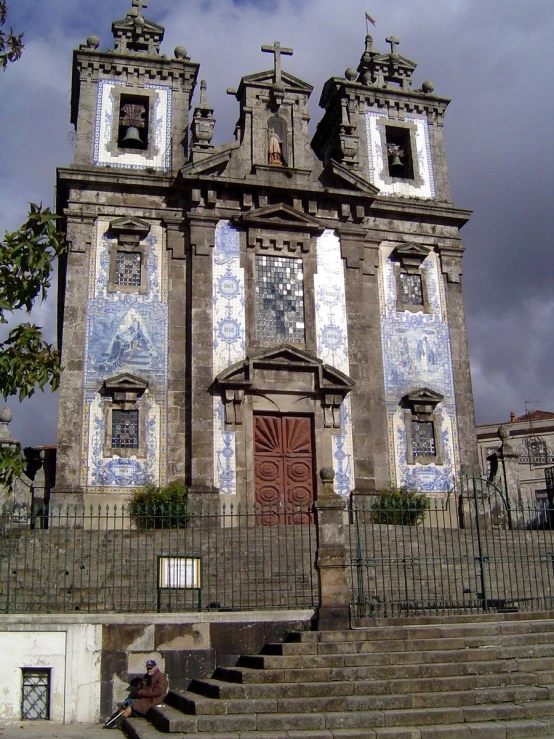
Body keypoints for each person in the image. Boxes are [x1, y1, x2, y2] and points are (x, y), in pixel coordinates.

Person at [105, 660, 168, 729]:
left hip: (152, 700)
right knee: (127, 702)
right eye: (148, 668)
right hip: (144, 698)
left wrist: (141, 693)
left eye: (150, 668)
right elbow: (141, 685)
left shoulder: (161, 678)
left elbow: (157, 692)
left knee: (132, 705)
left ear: (155, 668)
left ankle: (118, 722)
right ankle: (115, 720)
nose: (149, 670)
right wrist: (139, 688)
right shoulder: (147, 676)